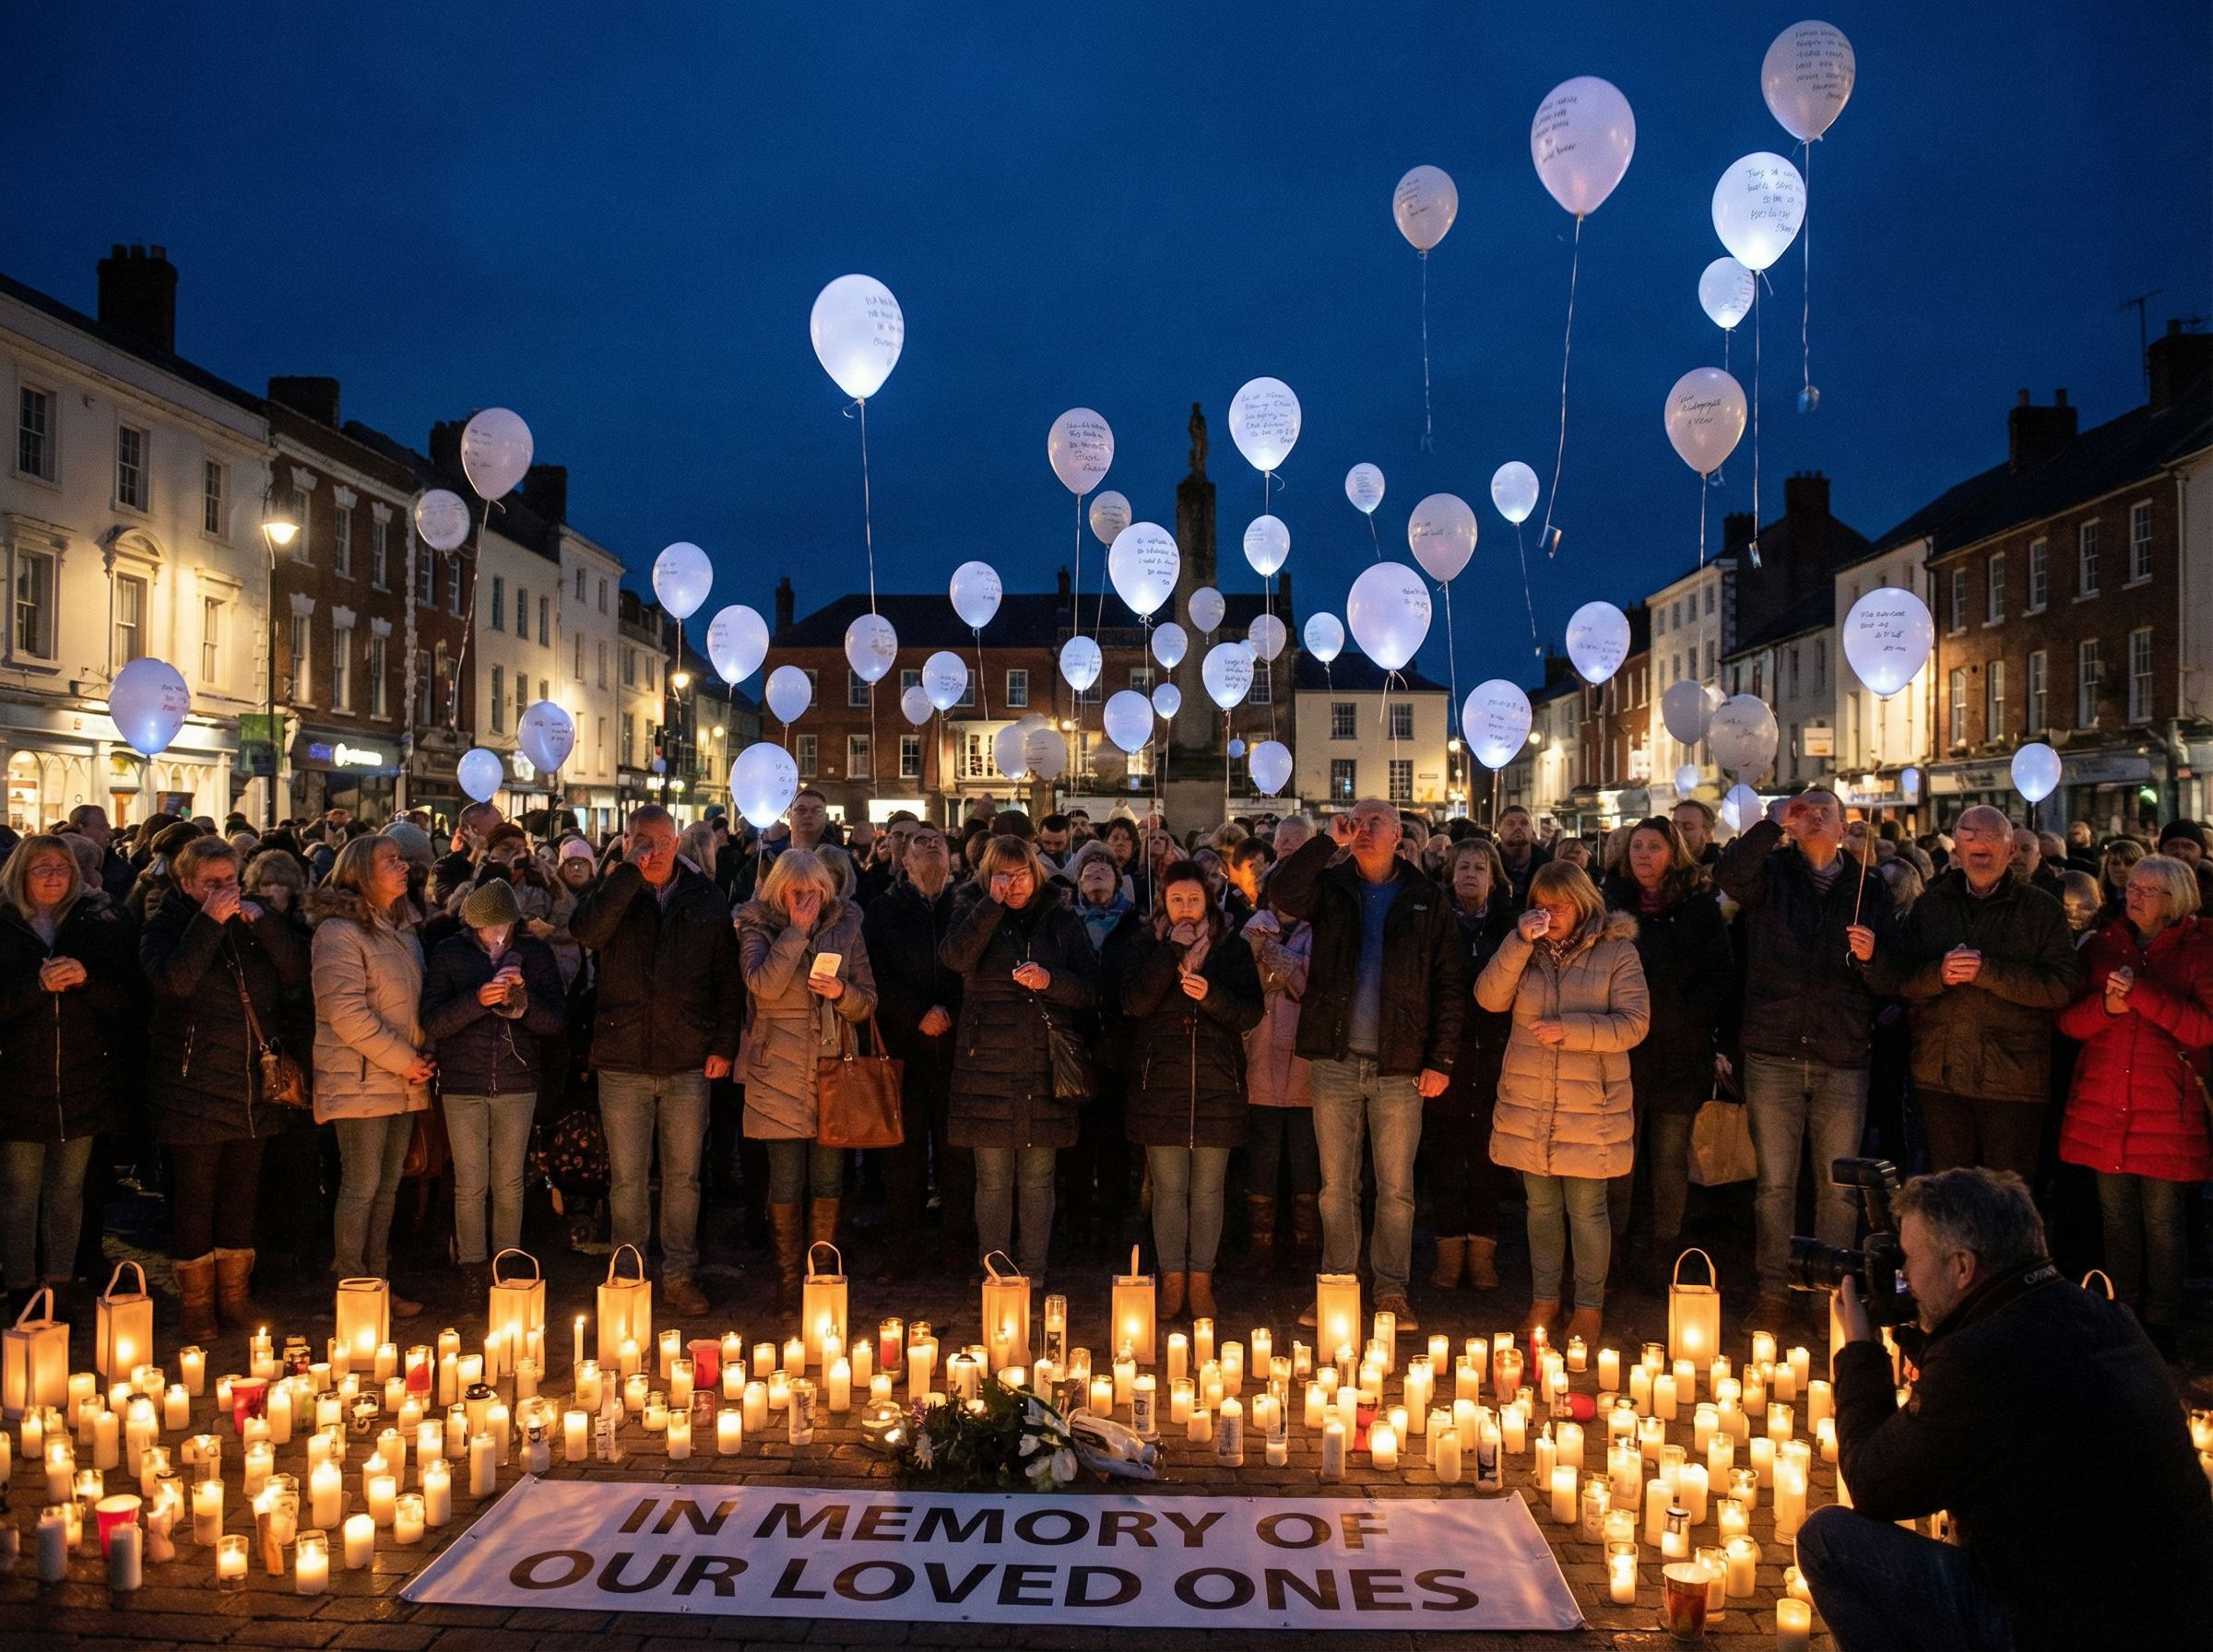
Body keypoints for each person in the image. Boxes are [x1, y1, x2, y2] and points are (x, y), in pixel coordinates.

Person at [1798, 1168, 2213, 1652]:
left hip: (2058, 1631)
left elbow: (1872, 1484)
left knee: (1829, 1540)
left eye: (1909, 1259)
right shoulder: (2105, 1315)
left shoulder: (1979, 1361)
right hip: (2176, 1618)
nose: (1903, 1276)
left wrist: (1860, 1350)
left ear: (1962, 1267)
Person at [1268, 797, 1465, 1332]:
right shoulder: (1332, 888)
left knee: (1396, 1189)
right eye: (1357, 820)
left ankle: (1392, 1291)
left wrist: (1440, 1058)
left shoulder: (1425, 898)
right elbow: (1282, 892)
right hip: (1336, 1060)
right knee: (1337, 1187)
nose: (1363, 828)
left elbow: (1449, 984)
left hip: (1400, 1066)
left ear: (1399, 834)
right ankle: (1337, 1284)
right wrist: (1324, 842)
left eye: (1376, 820)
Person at [1718, 788, 1899, 1330]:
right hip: (1774, 1049)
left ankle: (1832, 1294)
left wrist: (1872, 959)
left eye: (1827, 811)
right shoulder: (1771, 875)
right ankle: (1774, 1291)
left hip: (1841, 1052)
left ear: (1845, 828)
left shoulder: (1868, 888)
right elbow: (1730, 875)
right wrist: (1773, 823)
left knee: (1838, 1189)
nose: (1815, 816)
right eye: (1806, 809)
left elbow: (1892, 975)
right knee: (1774, 1184)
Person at [569, 805, 743, 1317]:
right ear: (625, 842)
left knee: (683, 1175)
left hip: (687, 1058)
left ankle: (681, 1273)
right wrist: (625, 878)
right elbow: (588, 932)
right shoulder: (613, 893)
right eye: (638, 839)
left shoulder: (705, 898)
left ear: (675, 845)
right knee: (626, 1176)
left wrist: (723, 1045)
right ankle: (629, 1270)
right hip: (624, 1057)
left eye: (659, 840)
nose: (649, 848)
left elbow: (726, 981)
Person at [143, 836, 311, 1339]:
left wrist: (268, 927)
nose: (224, 892)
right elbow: (174, 983)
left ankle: (235, 1298)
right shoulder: (166, 927)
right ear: (186, 884)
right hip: (192, 1084)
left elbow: (294, 973)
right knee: (196, 1196)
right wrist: (209, 924)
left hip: (251, 1082)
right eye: (212, 884)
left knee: (241, 1194)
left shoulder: (251, 923)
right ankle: (197, 1305)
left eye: (231, 882)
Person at [1476, 862, 1650, 1344]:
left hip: (1589, 1102)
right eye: (1542, 905)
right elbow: (1488, 997)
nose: (1550, 915)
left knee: (1589, 1208)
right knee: (1541, 1207)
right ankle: (1544, 1299)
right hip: (1531, 1098)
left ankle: (1590, 1306)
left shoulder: (1616, 952)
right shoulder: (1525, 950)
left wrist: (1571, 1032)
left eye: (1560, 906)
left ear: (1582, 904)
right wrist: (1517, 944)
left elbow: (1635, 1023)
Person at [2055, 854, 2212, 1357]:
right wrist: (2105, 1007)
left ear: (2175, 898)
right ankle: (2122, 1312)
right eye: (2132, 888)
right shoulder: (2103, 946)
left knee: (2164, 1223)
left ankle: (2162, 1321)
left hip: (2166, 1105)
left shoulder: (2201, 948)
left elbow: (2202, 1028)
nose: (2132, 896)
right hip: (2105, 1102)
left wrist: (2143, 995)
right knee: (2116, 1219)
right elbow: (2069, 1023)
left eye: (2147, 890)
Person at [939, 835, 1098, 1279]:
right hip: (985, 1067)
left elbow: (1090, 990)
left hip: (1044, 1068)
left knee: (1037, 1179)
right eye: (1004, 875)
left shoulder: (1061, 918)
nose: (1015, 884)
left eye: (1022, 873)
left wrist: (1051, 981)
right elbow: (955, 957)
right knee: (991, 1181)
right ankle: (997, 1275)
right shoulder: (972, 908)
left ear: (1037, 872)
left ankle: (1035, 1270)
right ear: (989, 877)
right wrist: (989, 907)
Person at [1895, 806, 2081, 1180]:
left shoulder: (2041, 909)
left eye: (1991, 838)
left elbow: (2061, 987)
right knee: (1949, 1199)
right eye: (1968, 837)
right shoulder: (1931, 906)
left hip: (2012, 1079)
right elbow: (1902, 980)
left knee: (2006, 1199)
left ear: (2011, 850)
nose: (1979, 844)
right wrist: (1940, 975)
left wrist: (1989, 972)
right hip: (1941, 1075)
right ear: (1956, 851)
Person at [1120, 860, 1264, 1320]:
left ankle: (1202, 1280)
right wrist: (1168, 955)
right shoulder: (1145, 943)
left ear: (1209, 901)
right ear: (1163, 901)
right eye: (1177, 899)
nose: (1185, 908)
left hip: (1217, 1084)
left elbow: (1250, 1012)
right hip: (1159, 1084)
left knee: (1207, 1191)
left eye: (1194, 900)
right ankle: (1172, 1280)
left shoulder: (1231, 947)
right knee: (1167, 1190)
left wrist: (1212, 996)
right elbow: (1134, 1002)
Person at [736, 848, 877, 1308]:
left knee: (829, 1179)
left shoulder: (847, 926)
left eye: (814, 892)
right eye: (797, 893)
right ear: (779, 892)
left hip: (831, 1069)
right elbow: (763, 985)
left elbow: (867, 1000)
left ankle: (822, 1281)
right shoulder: (756, 926)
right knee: (785, 1181)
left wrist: (841, 993)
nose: (807, 900)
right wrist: (795, 933)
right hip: (776, 1072)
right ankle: (786, 1283)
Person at [0, 836, 136, 1313]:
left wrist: (87, 981)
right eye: (42, 867)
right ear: (20, 873)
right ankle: (21, 1288)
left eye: (62, 867)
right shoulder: (5, 927)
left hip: (81, 1081)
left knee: (67, 1192)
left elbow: (124, 1001)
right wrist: (36, 987)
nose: (54, 875)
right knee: (18, 1193)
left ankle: (59, 1285)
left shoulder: (92, 926)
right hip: (18, 1081)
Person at [420, 878, 565, 1292]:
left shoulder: (535, 954)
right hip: (463, 1084)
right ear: (472, 926)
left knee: (509, 1181)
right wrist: (476, 1000)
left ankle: (508, 1264)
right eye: (489, 928)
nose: (497, 935)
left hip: (517, 1082)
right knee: (470, 1182)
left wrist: (522, 1003)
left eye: (504, 926)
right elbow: (433, 1020)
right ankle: (472, 1268)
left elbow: (555, 1020)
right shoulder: (450, 953)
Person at [1602, 819, 1733, 1279]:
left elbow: (1719, 977)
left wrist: (1686, 1019)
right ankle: (1612, 1253)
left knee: (1670, 1157)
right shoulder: (1611, 903)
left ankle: (1664, 1252)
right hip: (1625, 1051)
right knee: (1620, 1155)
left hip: (1680, 1050)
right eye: (1636, 846)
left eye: (1654, 846)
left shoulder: (1698, 909)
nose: (1643, 855)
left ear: (1672, 854)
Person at [310, 835, 434, 1314]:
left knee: (386, 1186)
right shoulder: (339, 932)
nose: (403, 867)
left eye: (402, 859)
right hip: (360, 1077)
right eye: (391, 861)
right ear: (361, 872)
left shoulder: (401, 929)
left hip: (401, 1077)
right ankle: (352, 1285)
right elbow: (345, 1010)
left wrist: (420, 1054)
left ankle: (377, 1281)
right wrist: (404, 1057)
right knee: (361, 1185)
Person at [861, 823, 970, 1277]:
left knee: (957, 1156)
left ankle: (957, 1248)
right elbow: (874, 975)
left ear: (951, 859)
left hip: (956, 1049)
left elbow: (977, 972)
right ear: (903, 861)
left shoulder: (966, 909)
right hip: (904, 1046)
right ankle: (902, 1249)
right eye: (919, 843)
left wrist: (950, 1011)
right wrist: (917, 1012)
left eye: (937, 843)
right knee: (903, 1157)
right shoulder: (883, 911)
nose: (929, 848)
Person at [1426, 837, 1515, 1292]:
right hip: (1447, 1055)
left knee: (1487, 1159)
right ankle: (1447, 1251)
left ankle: (1482, 1252)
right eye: (1463, 866)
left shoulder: (1508, 924)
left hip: (1496, 1055)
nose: (1470, 875)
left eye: (1480, 867)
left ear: (1494, 877)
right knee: (1445, 1156)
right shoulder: (1437, 921)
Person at [1240, 888, 1318, 1276]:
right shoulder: (1248, 932)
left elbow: (1315, 989)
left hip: (1305, 1061)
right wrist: (1291, 971)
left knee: (1306, 1158)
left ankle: (1307, 1243)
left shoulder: (1320, 931)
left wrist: (1276, 962)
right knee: (1263, 1156)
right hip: (1260, 1053)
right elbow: (1244, 985)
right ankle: (1261, 1243)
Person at [1494, 807, 1549, 903]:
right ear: (1499, 830)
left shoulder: (1548, 867)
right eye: (1510, 824)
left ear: (1532, 830)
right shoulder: (1487, 865)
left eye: (1524, 823)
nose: (1518, 828)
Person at [2009, 825, 2066, 901]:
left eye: (2026, 849)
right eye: (2012, 849)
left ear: (2038, 854)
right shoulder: (1992, 886)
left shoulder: (2058, 888)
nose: (2016, 855)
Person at [1670, 798, 1721, 868]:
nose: (1678, 832)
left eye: (1688, 827)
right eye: (1674, 825)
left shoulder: (1719, 869)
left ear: (1707, 833)